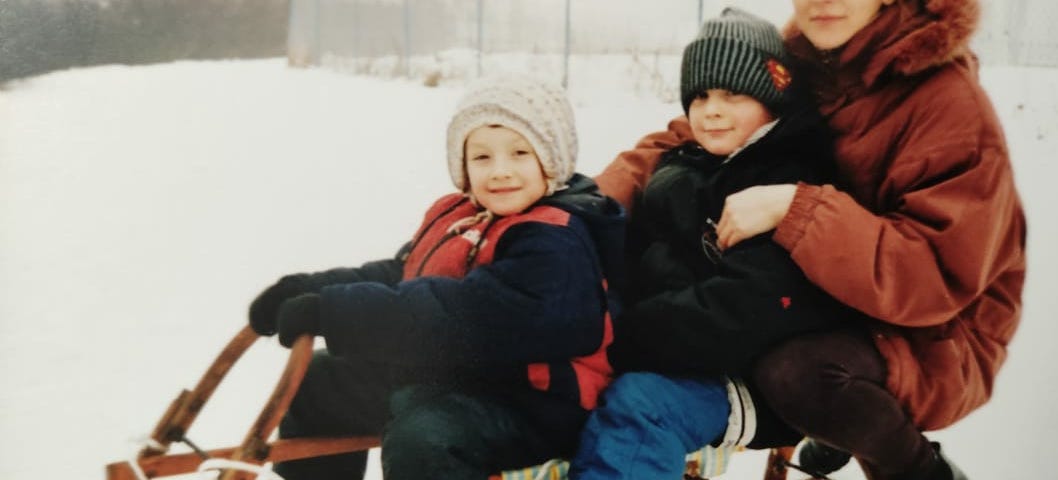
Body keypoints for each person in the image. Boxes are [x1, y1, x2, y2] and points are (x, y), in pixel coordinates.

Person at [594, 1, 1026, 479]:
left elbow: (935, 274)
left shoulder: (949, 104)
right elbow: (681, 140)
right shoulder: (803, 58)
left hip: (937, 325)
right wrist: (581, 209)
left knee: (793, 374)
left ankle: (914, 467)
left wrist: (798, 210)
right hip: (828, 282)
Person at [247, 76, 626, 480]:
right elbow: (406, 274)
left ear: (553, 159)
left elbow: (467, 316)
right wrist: (310, 290)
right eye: (482, 158)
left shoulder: (556, 239)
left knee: (426, 436)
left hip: (537, 402)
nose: (500, 172)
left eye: (519, 153)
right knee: (318, 381)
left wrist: (337, 312)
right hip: (460, 374)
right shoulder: (462, 213)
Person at [569, 8, 857, 480]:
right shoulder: (687, 166)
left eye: (732, 93)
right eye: (700, 95)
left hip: (749, 378)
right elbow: (632, 254)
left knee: (640, 408)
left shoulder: (785, 180)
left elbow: (748, 307)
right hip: (667, 350)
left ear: (774, 97)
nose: (712, 109)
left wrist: (625, 338)